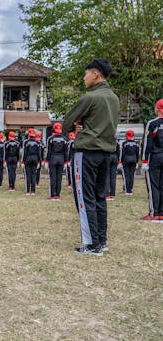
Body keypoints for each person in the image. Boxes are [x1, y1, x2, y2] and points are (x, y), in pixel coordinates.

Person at [63, 58, 119, 255]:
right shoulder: (114, 98)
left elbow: (66, 123)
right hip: (107, 153)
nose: (84, 78)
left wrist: (77, 125)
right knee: (99, 197)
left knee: (85, 199)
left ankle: (92, 244)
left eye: (86, 74)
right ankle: (101, 240)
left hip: (86, 152)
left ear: (96, 74)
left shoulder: (90, 97)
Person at [140, 99, 163, 221]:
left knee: (153, 186)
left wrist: (144, 161)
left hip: (154, 157)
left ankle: (154, 213)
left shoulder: (152, 123)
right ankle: (162, 213)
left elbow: (147, 144)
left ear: (158, 109)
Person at [45, 123, 68, 200]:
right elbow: (66, 151)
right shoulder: (65, 139)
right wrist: (66, 161)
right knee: (59, 177)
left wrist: (46, 160)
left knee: (53, 177)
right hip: (61, 158)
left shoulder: (50, 138)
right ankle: (57, 195)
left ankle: (52, 194)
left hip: (53, 158)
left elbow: (48, 151)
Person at [22, 128, 42, 195]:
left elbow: (24, 152)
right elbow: (39, 153)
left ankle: (28, 191)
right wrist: (39, 161)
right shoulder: (37, 142)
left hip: (28, 158)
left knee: (28, 175)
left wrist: (23, 161)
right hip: (35, 158)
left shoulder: (26, 142)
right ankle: (33, 191)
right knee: (34, 175)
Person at [120, 130, 139, 195]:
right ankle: (130, 190)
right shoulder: (136, 143)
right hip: (134, 159)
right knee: (132, 175)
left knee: (126, 175)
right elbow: (137, 153)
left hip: (126, 160)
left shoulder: (124, 143)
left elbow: (123, 153)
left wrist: (121, 161)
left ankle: (126, 190)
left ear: (126, 135)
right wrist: (137, 161)